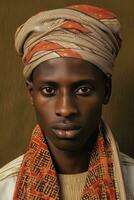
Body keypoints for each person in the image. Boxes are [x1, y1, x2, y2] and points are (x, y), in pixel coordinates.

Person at [0, 4, 134, 200]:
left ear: (106, 91)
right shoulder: (5, 188)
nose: (65, 109)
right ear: (31, 93)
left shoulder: (130, 182)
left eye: (83, 90)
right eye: (49, 90)